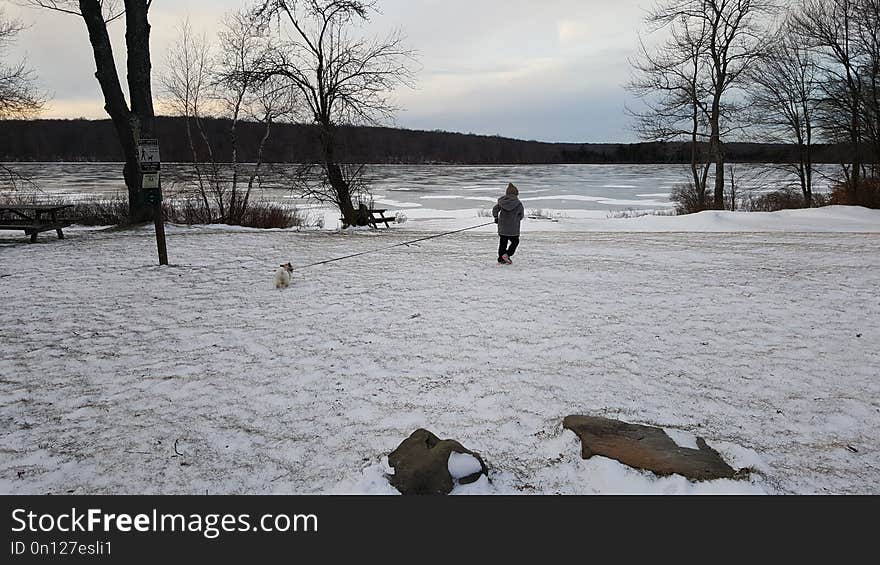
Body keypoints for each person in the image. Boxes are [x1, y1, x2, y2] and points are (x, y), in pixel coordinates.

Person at [492, 183, 524, 265]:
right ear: (516, 193)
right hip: (513, 228)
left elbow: (495, 209)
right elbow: (521, 215)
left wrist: (496, 218)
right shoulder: (518, 204)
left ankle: (501, 259)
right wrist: (515, 220)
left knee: (503, 243)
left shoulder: (502, 202)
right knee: (515, 242)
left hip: (503, 227)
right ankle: (507, 254)